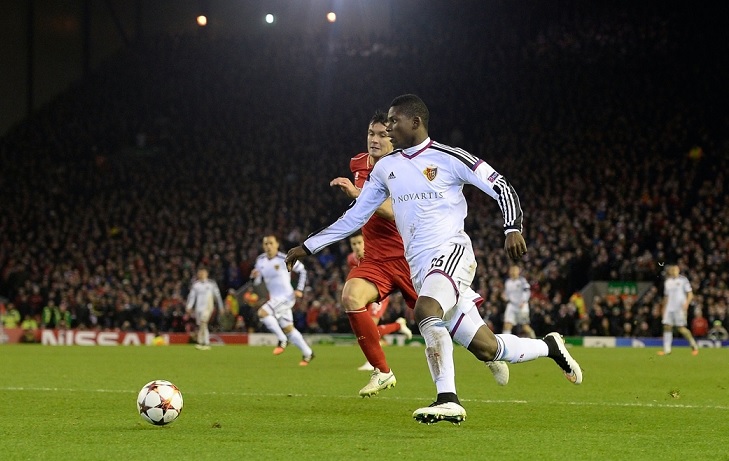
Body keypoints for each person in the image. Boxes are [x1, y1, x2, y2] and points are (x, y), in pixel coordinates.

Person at [286, 94, 582, 424]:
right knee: (488, 348)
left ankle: (448, 399)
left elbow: (501, 186)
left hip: (452, 254)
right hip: (420, 268)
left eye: (394, 122)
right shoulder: (386, 168)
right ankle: (549, 347)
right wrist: (309, 246)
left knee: (425, 310)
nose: (388, 128)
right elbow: (356, 216)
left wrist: (512, 227)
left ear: (415, 122)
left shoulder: (450, 157)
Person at [345, 232, 412, 373]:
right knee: (365, 328)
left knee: (371, 327)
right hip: (364, 294)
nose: (357, 246)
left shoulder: (375, 254)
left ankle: (373, 363)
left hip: (378, 293)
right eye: (353, 244)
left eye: (359, 242)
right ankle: (397, 325)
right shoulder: (351, 259)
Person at [251, 235, 314, 366]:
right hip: (275, 298)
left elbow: (302, 271)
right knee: (288, 329)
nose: (268, 246)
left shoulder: (284, 258)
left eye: (271, 243)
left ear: (277, 245)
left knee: (262, 313)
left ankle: (282, 340)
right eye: (266, 244)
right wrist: (255, 277)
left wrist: (299, 289)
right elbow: (257, 281)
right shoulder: (260, 260)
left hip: (286, 297)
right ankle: (308, 353)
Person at [658, 264, 699, 356]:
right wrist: (664, 309)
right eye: (672, 270)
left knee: (681, 328)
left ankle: (694, 346)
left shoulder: (683, 280)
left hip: (679, 308)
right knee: (667, 326)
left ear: (678, 270)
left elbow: (690, 294)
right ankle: (667, 350)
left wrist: (686, 304)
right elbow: (666, 297)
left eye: (675, 270)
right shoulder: (667, 282)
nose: (673, 271)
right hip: (669, 308)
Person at [185, 267, 224, 350]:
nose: (201, 274)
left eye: (202, 273)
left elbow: (217, 296)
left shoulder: (211, 284)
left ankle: (204, 342)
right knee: (202, 325)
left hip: (208, 307)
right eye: (199, 273)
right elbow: (192, 297)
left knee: (203, 322)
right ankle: (203, 343)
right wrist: (189, 306)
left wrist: (221, 307)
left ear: (206, 274)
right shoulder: (196, 285)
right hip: (198, 308)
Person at [502, 265, 536, 338]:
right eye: (511, 270)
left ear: (518, 272)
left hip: (522, 306)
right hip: (511, 305)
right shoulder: (508, 282)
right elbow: (507, 294)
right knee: (507, 325)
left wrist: (523, 301)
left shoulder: (522, 281)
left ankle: (534, 339)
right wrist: (505, 297)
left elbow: (527, 291)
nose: (513, 272)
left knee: (525, 327)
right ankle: (507, 342)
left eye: (515, 270)